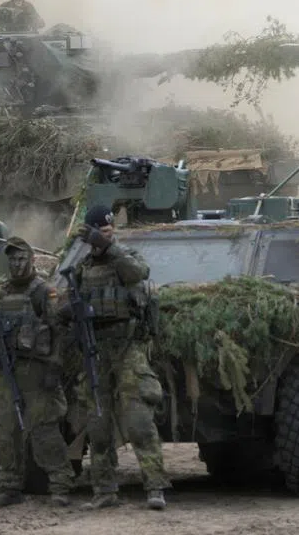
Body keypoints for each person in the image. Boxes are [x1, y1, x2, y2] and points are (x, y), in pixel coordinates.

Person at [60, 204, 169, 511]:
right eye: (100, 233)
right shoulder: (82, 268)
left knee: (139, 421)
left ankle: (155, 487)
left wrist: (109, 247)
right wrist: (70, 312)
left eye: (108, 232)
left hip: (127, 349)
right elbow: (68, 302)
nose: (105, 237)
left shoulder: (126, 256)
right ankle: (105, 489)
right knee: (98, 426)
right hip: (96, 351)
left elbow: (138, 273)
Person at [0, 236, 74, 507]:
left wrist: (54, 364)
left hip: (36, 370)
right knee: (4, 429)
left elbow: (59, 330)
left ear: (32, 260)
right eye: (12, 259)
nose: (17, 264)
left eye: (21, 259)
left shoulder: (43, 292)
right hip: (6, 369)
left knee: (44, 430)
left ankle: (60, 484)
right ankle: (9, 485)